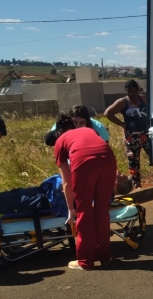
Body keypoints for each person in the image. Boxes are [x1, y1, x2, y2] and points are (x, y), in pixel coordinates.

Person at [44, 113, 119, 270]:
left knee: (83, 211)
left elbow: (67, 183)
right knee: (102, 210)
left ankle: (85, 260)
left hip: (85, 163)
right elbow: (99, 146)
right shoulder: (87, 130)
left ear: (57, 133)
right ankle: (105, 256)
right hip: (108, 160)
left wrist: (71, 209)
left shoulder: (59, 142)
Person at [0, 172, 132, 221]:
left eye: (120, 175)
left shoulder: (103, 198)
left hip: (45, 202)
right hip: (43, 192)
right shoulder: (101, 188)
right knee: (0, 198)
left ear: (118, 184)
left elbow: (84, 208)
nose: (117, 172)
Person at [103, 79, 153, 189]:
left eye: (132, 91)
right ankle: (137, 186)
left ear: (137, 90)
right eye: (128, 92)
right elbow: (107, 113)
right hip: (131, 138)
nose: (130, 94)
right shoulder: (122, 102)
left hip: (147, 135)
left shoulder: (144, 99)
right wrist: (122, 124)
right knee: (133, 163)